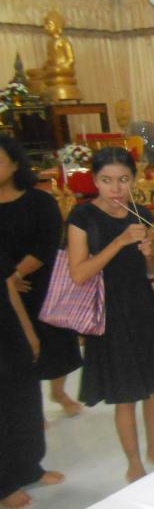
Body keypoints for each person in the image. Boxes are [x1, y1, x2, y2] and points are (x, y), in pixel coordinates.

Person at [68, 147, 154, 482]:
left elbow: (150, 269)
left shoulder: (140, 213)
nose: (115, 188)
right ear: (95, 181)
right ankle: (134, 463)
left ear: (133, 180)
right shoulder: (82, 217)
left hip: (142, 306)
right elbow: (79, 273)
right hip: (109, 312)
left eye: (123, 180)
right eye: (107, 180)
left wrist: (148, 254)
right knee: (125, 393)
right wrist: (119, 242)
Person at [0, 137, 83, 416]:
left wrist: (14, 274)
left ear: (15, 164)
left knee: (56, 343)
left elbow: (47, 244)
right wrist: (7, 279)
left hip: (41, 283)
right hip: (4, 289)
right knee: (17, 348)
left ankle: (58, 391)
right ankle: (29, 408)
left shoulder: (39, 201)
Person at [1, 244, 65, 509]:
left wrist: (26, 329)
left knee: (24, 398)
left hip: (7, 329)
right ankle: (4, 485)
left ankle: (28, 468)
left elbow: (7, 283)